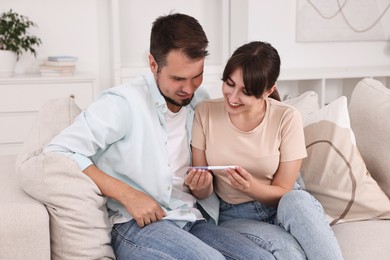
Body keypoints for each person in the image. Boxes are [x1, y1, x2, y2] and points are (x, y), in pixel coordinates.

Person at [43, 14, 275, 259]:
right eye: (177, 78)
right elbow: (60, 150)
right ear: (153, 64)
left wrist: (203, 187)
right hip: (134, 225)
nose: (188, 88)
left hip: (190, 218)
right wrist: (128, 194)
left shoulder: (201, 102)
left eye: (196, 76)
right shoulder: (123, 103)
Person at [188, 41, 344, 260]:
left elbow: (284, 189)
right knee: (289, 253)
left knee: (297, 200)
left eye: (246, 92)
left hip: (283, 205)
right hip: (235, 214)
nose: (232, 98)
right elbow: (203, 189)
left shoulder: (287, 117)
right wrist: (201, 187)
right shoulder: (205, 113)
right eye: (229, 84)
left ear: (269, 90)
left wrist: (250, 186)